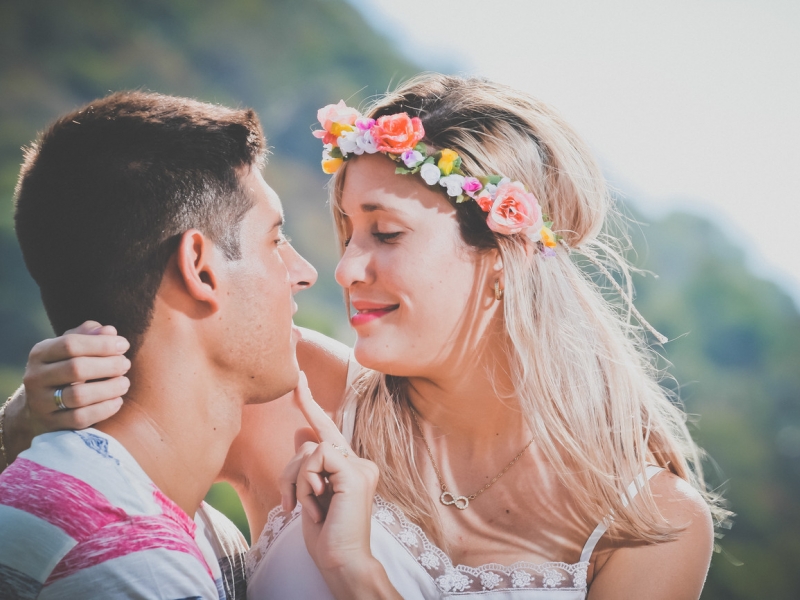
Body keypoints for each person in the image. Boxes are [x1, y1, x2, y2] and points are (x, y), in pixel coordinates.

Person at [3, 74, 725, 599]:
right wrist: (23, 421)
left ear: (503, 257)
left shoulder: (651, 524)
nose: (345, 267)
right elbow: (76, 501)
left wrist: (357, 575)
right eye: (346, 231)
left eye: (385, 232)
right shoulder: (292, 391)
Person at [0, 91, 392, 599]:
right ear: (201, 269)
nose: (305, 273)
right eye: (275, 240)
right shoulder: (128, 557)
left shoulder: (209, 538)